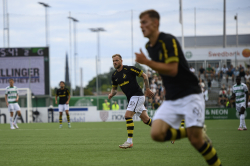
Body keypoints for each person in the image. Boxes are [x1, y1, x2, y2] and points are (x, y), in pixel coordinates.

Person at [135, 9, 221, 166]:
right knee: (156, 134)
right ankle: (194, 133)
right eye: (140, 23)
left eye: (144, 22)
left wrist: (147, 62)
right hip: (172, 98)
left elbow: (173, 69)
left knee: (197, 142)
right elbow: (163, 70)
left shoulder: (168, 40)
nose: (141, 26)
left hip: (190, 94)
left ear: (156, 23)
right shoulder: (149, 46)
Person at [108, 54, 154, 149]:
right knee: (146, 120)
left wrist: (147, 89)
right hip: (132, 99)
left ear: (121, 61)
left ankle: (129, 141)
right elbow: (115, 89)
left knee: (127, 116)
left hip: (137, 96)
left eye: (116, 60)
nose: (115, 62)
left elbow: (144, 75)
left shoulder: (130, 69)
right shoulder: (114, 75)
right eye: (113, 61)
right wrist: (111, 94)